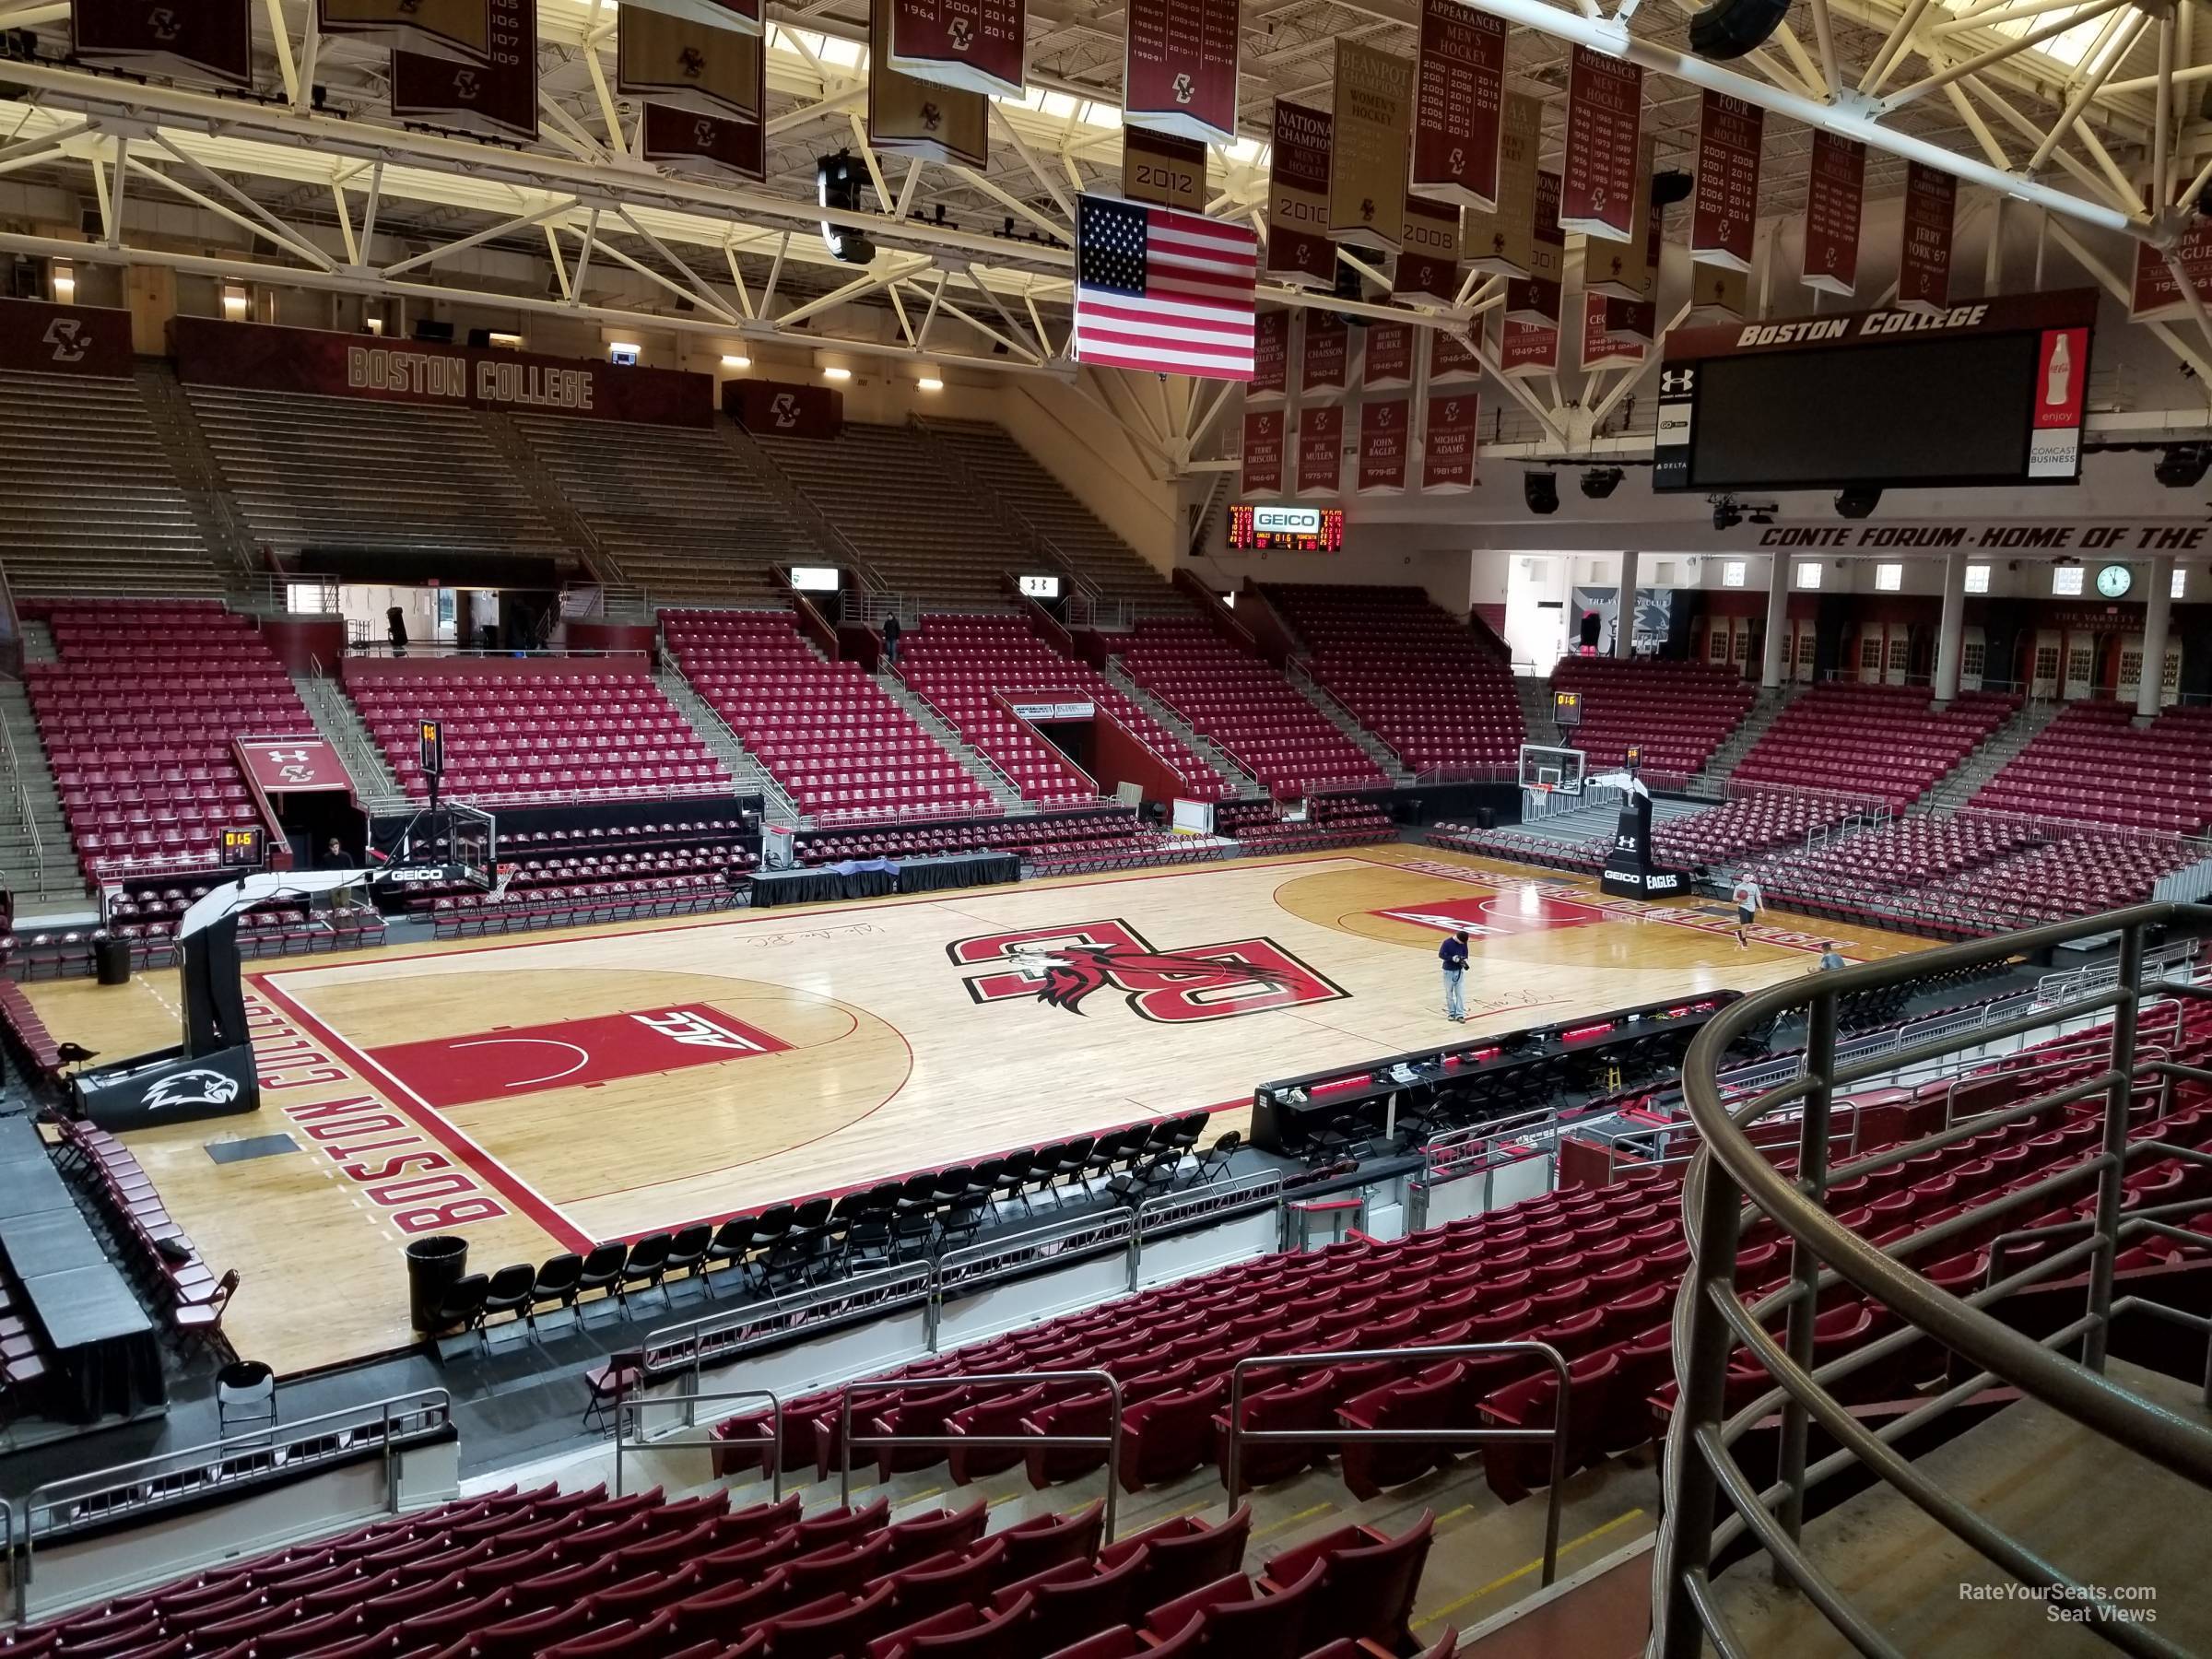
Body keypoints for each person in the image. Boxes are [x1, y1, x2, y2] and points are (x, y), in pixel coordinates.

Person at [1439, 929, 1470, 1022]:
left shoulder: (1463, 942)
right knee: (1449, 994)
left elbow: (1465, 952)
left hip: (1459, 971)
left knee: (1460, 994)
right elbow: (1441, 955)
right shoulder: (1447, 943)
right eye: (1461, 942)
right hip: (1448, 971)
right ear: (1457, 938)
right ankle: (1451, 1013)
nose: (1462, 944)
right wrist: (1452, 958)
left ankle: (1460, 1014)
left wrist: (1464, 959)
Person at [1732, 874, 1763, 948]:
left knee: (1750, 924)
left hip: (1752, 907)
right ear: (1742, 878)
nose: (1747, 878)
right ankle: (1744, 940)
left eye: (1749, 877)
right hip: (1743, 907)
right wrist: (1739, 900)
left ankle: (1740, 932)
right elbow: (1734, 898)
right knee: (1744, 924)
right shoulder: (1738, 887)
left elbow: (1758, 897)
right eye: (1745, 877)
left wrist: (1761, 907)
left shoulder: (1755, 886)